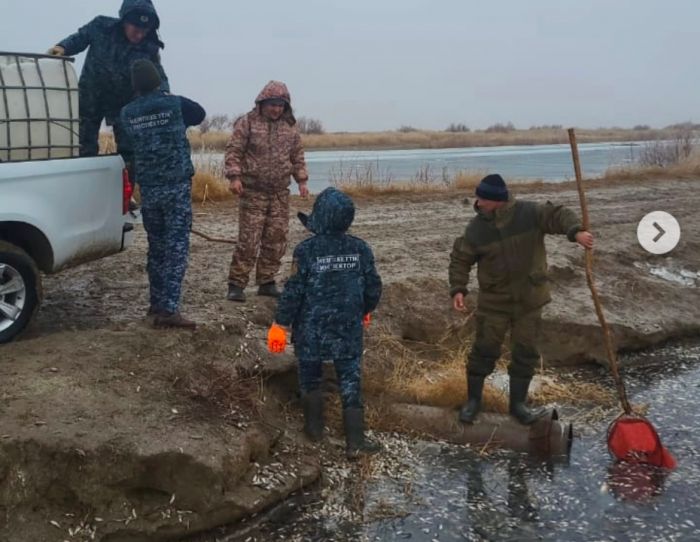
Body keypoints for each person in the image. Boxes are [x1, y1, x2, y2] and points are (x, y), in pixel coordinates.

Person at [449, 174, 594, 425]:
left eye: (482, 198)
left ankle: (518, 406)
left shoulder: (529, 213)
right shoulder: (476, 229)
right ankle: (473, 402)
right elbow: (460, 259)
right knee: (483, 351)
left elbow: (558, 215)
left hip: (530, 301)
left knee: (525, 353)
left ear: (496, 200)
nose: (478, 202)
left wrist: (576, 233)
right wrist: (458, 288)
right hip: (494, 303)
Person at [274, 188, 382, 459]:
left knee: (310, 377)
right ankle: (355, 442)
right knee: (350, 381)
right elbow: (373, 288)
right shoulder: (360, 249)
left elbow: (293, 291)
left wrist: (280, 324)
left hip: (311, 329)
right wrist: (364, 309)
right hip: (347, 328)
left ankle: (313, 432)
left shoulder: (305, 251)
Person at [120, 59, 205, 329]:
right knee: (177, 247)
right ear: (158, 80)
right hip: (176, 186)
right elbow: (199, 113)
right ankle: (169, 310)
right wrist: (167, 96)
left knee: (156, 247)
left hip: (150, 189)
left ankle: (156, 304)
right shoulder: (174, 103)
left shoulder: (127, 113)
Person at [48, 0, 169, 164]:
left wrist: (164, 94)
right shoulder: (101, 26)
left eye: (144, 31)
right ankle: (86, 184)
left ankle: (126, 186)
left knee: (130, 152)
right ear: (124, 21)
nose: (139, 35)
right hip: (90, 98)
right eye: (135, 30)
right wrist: (63, 47)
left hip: (125, 105)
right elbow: (80, 38)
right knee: (83, 147)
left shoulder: (149, 46)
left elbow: (157, 74)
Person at [224, 81, 309, 302]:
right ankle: (236, 284)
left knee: (276, 238)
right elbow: (234, 151)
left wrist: (301, 181)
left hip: (280, 193)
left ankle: (267, 281)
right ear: (262, 103)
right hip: (253, 192)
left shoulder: (290, 126)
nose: (276, 109)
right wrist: (235, 177)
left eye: (281, 105)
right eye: (272, 104)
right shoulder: (248, 123)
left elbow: (297, 156)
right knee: (249, 240)